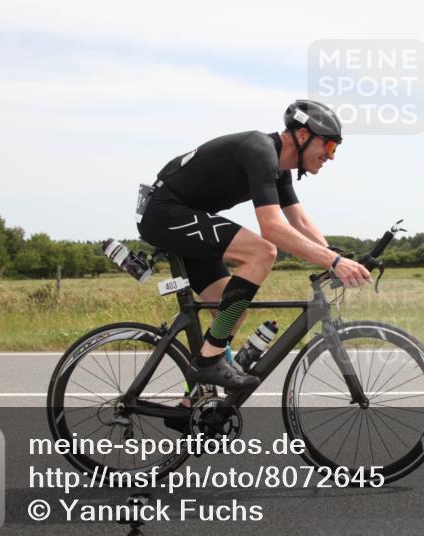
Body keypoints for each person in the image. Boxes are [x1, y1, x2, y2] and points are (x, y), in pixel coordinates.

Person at [137, 100, 371, 391]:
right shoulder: (259, 150)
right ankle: (208, 361)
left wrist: (336, 258)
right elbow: (272, 228)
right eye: (330, 146)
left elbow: (298, 220)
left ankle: (197, 399)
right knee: (262, 251)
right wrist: (333, 263)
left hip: (183, 217)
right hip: (163, 212)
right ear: (302, 136)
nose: (331, 157)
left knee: (232, 310)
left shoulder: (278, 167)